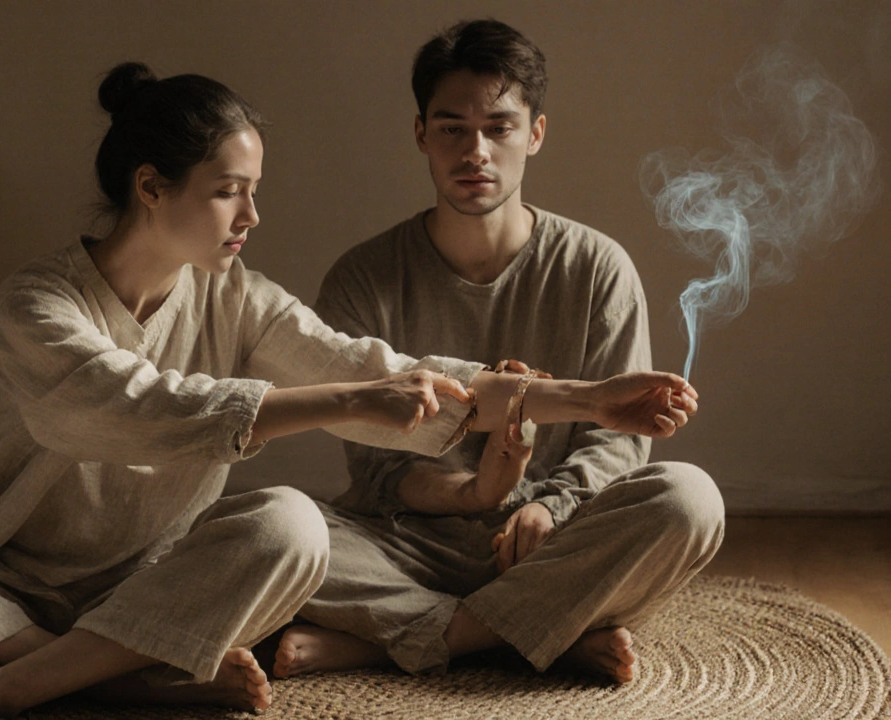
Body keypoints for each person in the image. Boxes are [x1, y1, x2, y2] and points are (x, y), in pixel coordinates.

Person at [0, 61, 697, 720]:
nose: (253, 217)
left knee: (288, 525)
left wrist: (588, 399)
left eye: (255, 192)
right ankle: (109, 675)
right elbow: (139, 410)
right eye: (231, 193)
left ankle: (12, 683)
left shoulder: (239, 295)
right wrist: (341, 404)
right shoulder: (39, 302)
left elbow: (387, 373)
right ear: (152, 187)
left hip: (160, 584)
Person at [272, 20, 725, 685]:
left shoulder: (598, 267)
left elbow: (617, 445)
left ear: (535, 133)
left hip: (550, 543)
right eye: (452, 128)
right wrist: (475, 492)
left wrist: (548, 507)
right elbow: (376, 472)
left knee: (691, 501)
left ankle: (395, 640)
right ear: (421, 133)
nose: (475, 151)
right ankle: (527, 633)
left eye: (500, 128)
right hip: (406, 543)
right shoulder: (363, 278)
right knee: (272, 528)